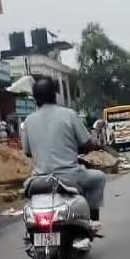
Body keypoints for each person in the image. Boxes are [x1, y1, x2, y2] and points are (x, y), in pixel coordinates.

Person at [20, 74, 108, 233]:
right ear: (54, 95)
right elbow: (86, 144)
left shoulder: (28, 121)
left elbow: (27, 152)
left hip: (40, 180)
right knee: (99, 178)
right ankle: (93, 220)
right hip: (70, 176)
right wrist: (91, 146)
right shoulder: (69, 114)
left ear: (36, 99)